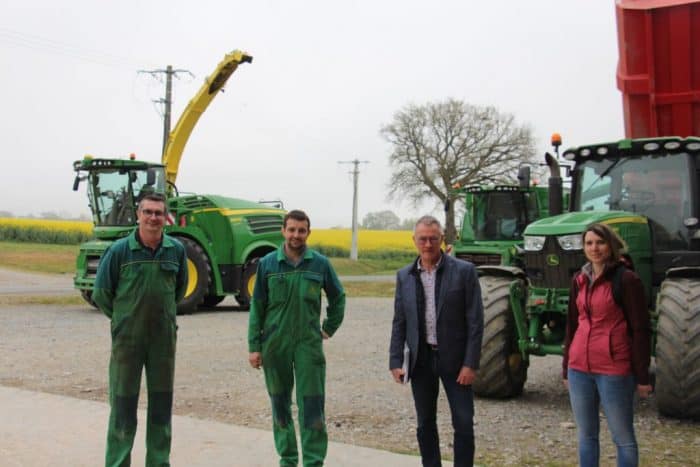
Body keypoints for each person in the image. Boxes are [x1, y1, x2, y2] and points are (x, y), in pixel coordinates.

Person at [93, 192, 188, 467]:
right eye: (148, 212)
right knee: (122, 407)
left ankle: (158, 462)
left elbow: (178, 290)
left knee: (161, 408)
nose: (153, 218)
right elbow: (102, 293)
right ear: (138, 215)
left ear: (165, 217)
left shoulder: (176, 251)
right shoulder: (119, 251)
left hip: (163, 341)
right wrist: (124, 319)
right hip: (127, 342)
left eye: (159, 213)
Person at [248, 209, 345, 467]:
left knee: (312, 405)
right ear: (283, 231)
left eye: (301, 230)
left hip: (308, 345)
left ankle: (313, 462)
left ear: (308, 233)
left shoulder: (320, 264)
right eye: (291, 229)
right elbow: (257, 307)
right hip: (274, 345)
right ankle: (288, 459)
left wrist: (328, 327)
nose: (296, 235)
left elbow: (338, 297)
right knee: (280, 404)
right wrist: (254, 346)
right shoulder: (268, 264)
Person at [389, 215, 484, 467]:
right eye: (423, 239)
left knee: (463, 421)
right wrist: (395, 360)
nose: (428, 244)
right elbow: (399, 321)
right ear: (414, 240)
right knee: (425, 423)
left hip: (455, 361)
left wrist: (470, 363)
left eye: (433, 238)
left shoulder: (464, 272)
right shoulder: (405, 276)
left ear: (442, 239)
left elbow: (476, 321)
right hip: (421, 360)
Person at [563, 223, 652, 467]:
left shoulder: (627, 280)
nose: (595, 248)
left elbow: (640, 329)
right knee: (586, 435)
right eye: (589, 243)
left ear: (611, 245)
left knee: (622, 437)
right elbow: (572, 325)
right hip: (579, 368)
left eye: (600, 242)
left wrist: (642, 376)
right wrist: (566, 367)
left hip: (614, 369)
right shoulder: (579, 280)